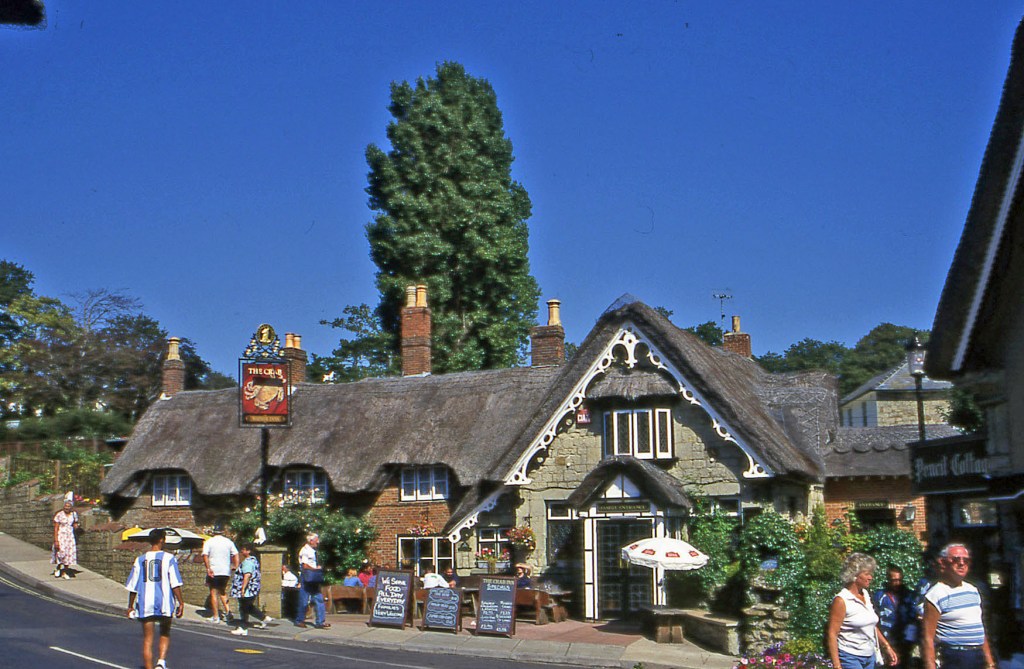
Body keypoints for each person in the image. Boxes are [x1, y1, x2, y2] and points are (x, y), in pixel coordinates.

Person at [921, 543, 996, 669]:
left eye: (966, 560)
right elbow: (928, 637)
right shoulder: (936, 594)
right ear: (943, 563)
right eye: (956, 559)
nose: (961, 563)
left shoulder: (973, 590)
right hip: (955, 657)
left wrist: (989, 662)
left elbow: (979, 629)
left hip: (978, 655)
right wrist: (930, 665)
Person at [827, 552, 898, 669]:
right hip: (849, 656)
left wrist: (886, 646)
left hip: (869, 656)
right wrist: (837, 665)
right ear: (854, 576)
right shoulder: (842, 600)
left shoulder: (865, 594)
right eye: (867, 574)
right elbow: (832, 633)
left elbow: (871, 624)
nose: (871, 577)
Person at [125, 529, 184, 669]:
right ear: (162, 540)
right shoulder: (169, 558)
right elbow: (174, 583)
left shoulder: (140, 559)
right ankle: (161, 662)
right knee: (165, 631)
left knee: (147, 639)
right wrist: (181, 602)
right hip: (163, 601)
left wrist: (130, 605)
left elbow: (133, 585)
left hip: (146, 602)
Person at [873, 566, 915, 669]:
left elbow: (914, 618)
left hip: (904, 641)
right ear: (888, 580)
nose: (897, 583)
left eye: (899, 580)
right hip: (886, 639)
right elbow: (874, 619)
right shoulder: (879, 596)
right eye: (894, 580)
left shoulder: (909, 595)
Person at [230, 543, 272, 636]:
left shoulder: (248, 562)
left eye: (244, 549)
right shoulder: (254, 560)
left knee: (244, 608)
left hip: (247, 590)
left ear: (248, 551)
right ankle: (264, 618)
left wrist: (242, 589)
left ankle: (243, 627)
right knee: (249, 607)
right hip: (252, 589)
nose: (242, 551)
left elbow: (247, 575)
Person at [201, 523, 239, 624]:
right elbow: (236, 554)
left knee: (213, 593)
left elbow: (205, 555)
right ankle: (228, 612)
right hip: (225, 571)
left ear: (213, 532)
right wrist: (235, 565)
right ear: (222, 532)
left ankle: (216, 617)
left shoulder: (209, 542)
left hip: (214, 570)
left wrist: (208, 568)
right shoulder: (228, 542)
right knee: (222, 592)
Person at [294, 533, 329, 629]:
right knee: (304, 601)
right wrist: (316, 569)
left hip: (313, 578)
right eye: (316, 540)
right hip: (306, 578)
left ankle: (320, 622)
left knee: (319, 599)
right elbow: (304, 565)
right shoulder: (305, 551)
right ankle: (299, 620)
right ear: (311, 541)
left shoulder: (312, 550)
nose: (318, 542)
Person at [51, 495, 79, 580]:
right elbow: (56, 528)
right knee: (61, 553)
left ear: (71, 507)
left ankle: (64, 572)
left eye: (69, 506)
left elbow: (75, 523)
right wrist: (56, 540)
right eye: (65, 506)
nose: (67, 508)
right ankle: (58, 567)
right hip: (61, 535)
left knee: (68, 554)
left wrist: (76, 526)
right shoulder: (59, 515)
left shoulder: (74, 514)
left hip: (70, 536)